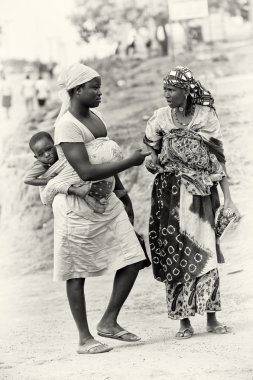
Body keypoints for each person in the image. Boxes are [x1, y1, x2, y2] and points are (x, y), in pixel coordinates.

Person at [47, 63, 150, 354]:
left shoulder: (97, 116)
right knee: (75, 271)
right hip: (76, 205)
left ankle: (109, 321)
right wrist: (130, 161)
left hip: (106, 201)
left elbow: (104, 157)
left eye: (99, 86)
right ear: (77, 90)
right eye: (94, 87)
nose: (99, 92)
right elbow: (86, 170)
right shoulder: (67, 125)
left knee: (133, 257)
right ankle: (84, 338)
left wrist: (121, 191)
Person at [144, 66, 240, 340]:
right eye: (164, 89)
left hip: (201, 195)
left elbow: (218, 158)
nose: (166, 95)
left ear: (187, 91)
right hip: (169, 194)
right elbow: (149, 146)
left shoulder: (206, 117)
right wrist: (152, 158)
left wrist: (229, 199)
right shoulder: (161, 118)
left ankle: (211, 317)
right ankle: (183, 321)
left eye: (171, 90)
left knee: (206, 251)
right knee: (176, 252)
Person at [24, 131, 125, 213]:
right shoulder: (40, 165)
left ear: (55, 145)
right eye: (41, 154)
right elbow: (27, 179)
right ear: (36, 157)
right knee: (68, 182)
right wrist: (50, 180)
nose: (46, 155)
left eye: (49, 149)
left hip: (64, 181)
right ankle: (87, 198)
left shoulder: (60, 153)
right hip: (49, 191)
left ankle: (105, 194)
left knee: (81, 174)